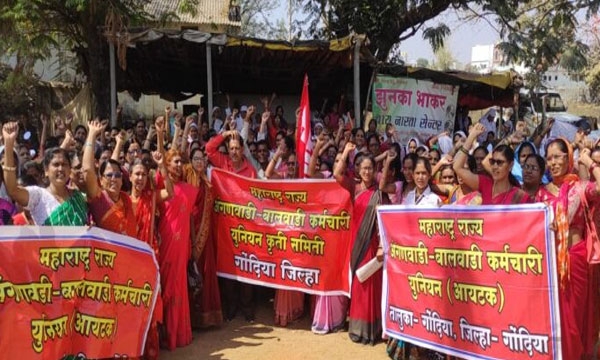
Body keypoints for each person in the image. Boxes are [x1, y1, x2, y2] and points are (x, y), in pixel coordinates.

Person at [535, 138, 600, 359]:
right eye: (549, 158)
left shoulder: (579, 188)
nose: (552, 162)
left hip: (576, 260)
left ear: (568, 158)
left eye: (557, 157)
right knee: (557, 322)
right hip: (551, 264)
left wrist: (589, 162)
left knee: (575, 320)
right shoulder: (541, 194)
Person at [334, 142, 386, 345]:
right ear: (358, 169)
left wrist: (381, 245)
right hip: (356, 244)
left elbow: (382, 222)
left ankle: (372, 329)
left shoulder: (379, 193)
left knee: (371, 285)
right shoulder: (354, 187)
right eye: (363, 168)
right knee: (358, 285)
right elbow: (338, 174)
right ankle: (357, 329)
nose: (367, 171)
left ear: (375, 171)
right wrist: (346, 152)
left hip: (372, 245)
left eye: (370, 168)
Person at [3, 122, 87, 226]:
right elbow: (13, 190)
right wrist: (8, 143)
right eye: (56, 165)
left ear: (69, 170)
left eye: (64, 164)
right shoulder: (38, 196)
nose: (60, 168)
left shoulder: (79, 198)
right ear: (46, 171)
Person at [184, 148, 223, 329]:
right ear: (191, 161)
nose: (199, 162)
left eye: (202, 159)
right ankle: (193, 319)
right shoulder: (188, 180)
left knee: (206, 273)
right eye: (196, 158)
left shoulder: (207, 184)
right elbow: (190, 212)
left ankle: (208, 317)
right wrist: (192, 239)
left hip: (206, 237)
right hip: (191, 234)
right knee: (193, 274)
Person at [265, 152, 305, 326]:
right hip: (282, 232)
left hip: (299, 233)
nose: (291, 167)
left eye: (294, 164)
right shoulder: (281, 177)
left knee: (296, 270)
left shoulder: (305, 182)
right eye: (288, 164)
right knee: (285, 271)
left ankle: (295, 310)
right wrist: (278, 155)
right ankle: (283, 312)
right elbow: (267, 174)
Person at [82, 120, 137, 237]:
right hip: (108, 253)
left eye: (117, 176)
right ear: (101, 180)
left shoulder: (125, 199)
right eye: (109, 176)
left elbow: (112, 165)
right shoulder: (98, 198)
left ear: (122, 179)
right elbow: (87, 170)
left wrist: (119, 143)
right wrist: (92, 134)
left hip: (129, 251)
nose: (114, 179)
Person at [453, 124, 531, 205]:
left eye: (500, 162)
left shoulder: (518, 195)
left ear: (511, 165)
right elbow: (457, 167)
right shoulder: (485, 184)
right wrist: (471, 137)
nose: (495, 166)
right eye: (493, 162)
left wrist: (509, 140)